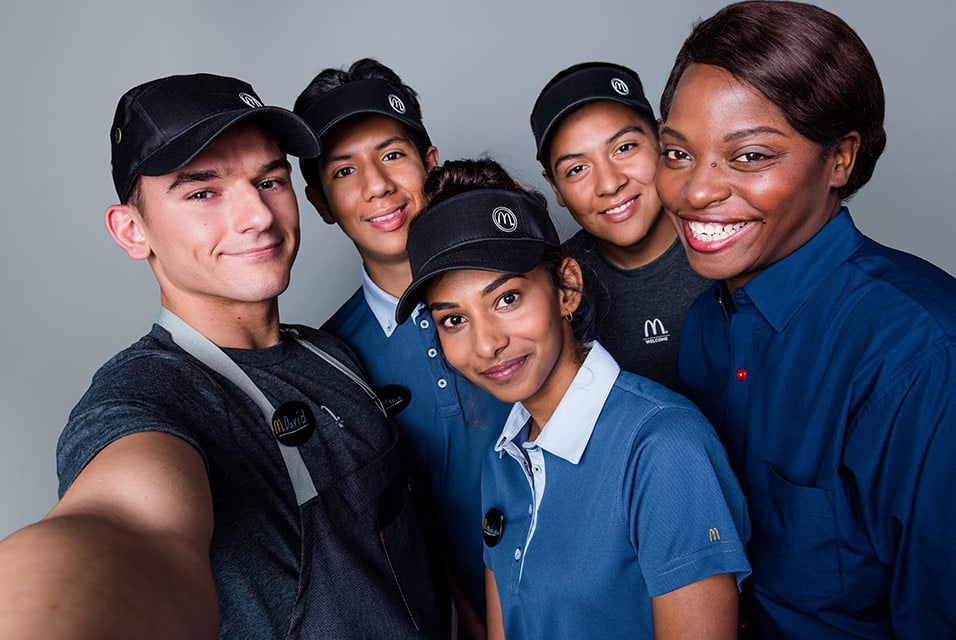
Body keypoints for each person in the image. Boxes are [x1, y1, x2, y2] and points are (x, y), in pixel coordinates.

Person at [0, 73, 448, 639]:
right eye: (203, 192)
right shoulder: (150, 398)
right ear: (132, 230)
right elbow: (126, 528)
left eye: (269, 181)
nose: (258, 216)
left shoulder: (332, 352)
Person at [655, 2, 956, 637]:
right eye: (677, 153)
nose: (695, 191)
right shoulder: (707, 323)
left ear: (840, 159)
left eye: (751, 157)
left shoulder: (920, 354)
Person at [396, 158, 751, 639]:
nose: (486, 344)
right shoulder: (504, 459)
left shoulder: (662, 447)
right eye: (453, 320)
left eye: (507, 299)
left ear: (567, 288)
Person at [293, 59, 510, 633]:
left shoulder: (520, 295)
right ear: (319, 202)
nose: (377, 186)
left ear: (429, 163)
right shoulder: (332, 360)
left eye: (392, 155)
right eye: (343, 172)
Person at [530, 62, 710, 389]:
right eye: (577, 169)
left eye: (624, 148)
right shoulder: (556, 289)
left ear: (661, 139)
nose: (610, 183)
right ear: (554, 187)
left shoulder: (729, 242)